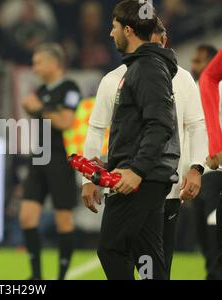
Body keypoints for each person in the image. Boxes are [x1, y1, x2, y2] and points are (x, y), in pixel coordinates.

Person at [82, 18, 207, 279]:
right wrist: (90, 177)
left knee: (149, 259)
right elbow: (96, 128)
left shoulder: (183, 79)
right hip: (131, 183)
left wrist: (196, 168)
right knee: (136, 256)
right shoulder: (113, 80)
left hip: (165, 187)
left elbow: (196, 125)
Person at [94, 0, 180, 280]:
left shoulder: (147, 68)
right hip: (144, 176)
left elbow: (160, 124)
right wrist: (110, 164)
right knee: (147, 257)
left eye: (114, 27)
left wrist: (136, 169)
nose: (110, 33)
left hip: (138, 181)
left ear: (128, 30)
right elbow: (141, 129)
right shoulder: (146, 67)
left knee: (112, 248)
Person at [19, 43, 81, 280]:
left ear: (54, 63)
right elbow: (36, 109)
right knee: (26, 216)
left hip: (60, 159)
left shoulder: (69, 88)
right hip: (40, 156)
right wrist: (34, 108)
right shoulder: (41, 90)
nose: (34, 68)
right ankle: (36, 276)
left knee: (63, 219)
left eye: (38, 62)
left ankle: (62, 275)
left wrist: (39, 108)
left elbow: (66, 122)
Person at [190, 45, 222, 279]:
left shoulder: (216, 86)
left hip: (215, 169)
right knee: (203, 227)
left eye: (200, 61)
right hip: (204, 167)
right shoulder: (192, 90)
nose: (195, 66)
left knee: (213, 225)